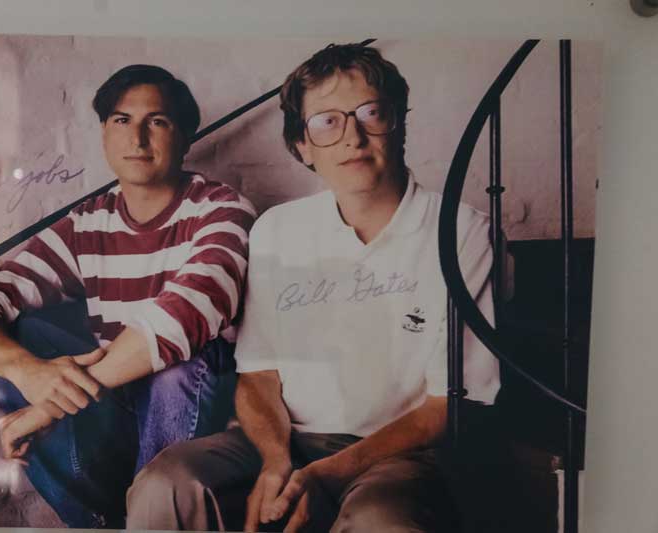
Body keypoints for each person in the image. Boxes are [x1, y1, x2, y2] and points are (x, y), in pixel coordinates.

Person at [126, 43, 500, 532]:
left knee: (382, 522)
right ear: (302, 146)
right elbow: (259, 377)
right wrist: (277, 460)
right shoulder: (279, 230)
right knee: (167, 482)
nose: (353, 137)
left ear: (399, 124)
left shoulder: (462, 231)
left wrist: (327, 474)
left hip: (401, 454)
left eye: (371, 113)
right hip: (286, 439)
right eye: (327, 121)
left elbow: (448, 405)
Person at [0, 64, 256, 529]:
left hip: (202, 408)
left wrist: (45, 409)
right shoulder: (89, 222)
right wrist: (26, 371)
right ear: (103, 133)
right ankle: (97, 522)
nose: (137, 138)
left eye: (157, 121)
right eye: (121, 120)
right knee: (19, 332)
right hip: (115, 404)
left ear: (186, 136)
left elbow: (186, 316)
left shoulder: (222, 208)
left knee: (179, 366)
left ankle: (154, 517)